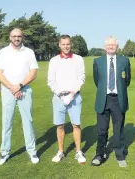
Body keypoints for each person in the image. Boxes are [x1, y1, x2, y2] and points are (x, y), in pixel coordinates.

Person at [0, 28, 39, 165]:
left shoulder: (29, 52)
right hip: (8, 91)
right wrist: (12, 88)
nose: (16, 38)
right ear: (10, 37)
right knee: (7, 122)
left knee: (28, 121)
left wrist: (19, 86)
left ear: (22, 37)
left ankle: (32, 152)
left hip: (24, 89)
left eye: (19, 36)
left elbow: (33, 73)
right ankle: (4, 153)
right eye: (14, 36)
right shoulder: (3, 52)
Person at [91, 36, 131, 167]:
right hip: (104, 99)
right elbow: (97, 81)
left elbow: (127, 80)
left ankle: (120, 155)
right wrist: (105, 91)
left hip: (118, 100)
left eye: (113, 44)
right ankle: (99, 154)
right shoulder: (98, 61)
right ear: (104, 47)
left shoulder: (124, 61)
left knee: (118, 129)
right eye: (108, 44)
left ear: (117, 47)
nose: (110, 46)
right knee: (102, 130)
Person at [47, 34, 86, 164]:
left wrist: (72, 94)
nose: (65, 46)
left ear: (71, 45)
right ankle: (60, 151)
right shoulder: (54, 60)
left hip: (75, 96)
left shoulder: (78, 59)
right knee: (60, 126)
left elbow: (81, 78)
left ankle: (78, 152)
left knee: (76, 124)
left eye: (68, 44)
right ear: (59, 45)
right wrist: (61, 95)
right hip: (59, 97)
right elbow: (51, 81)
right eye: (63, 44)